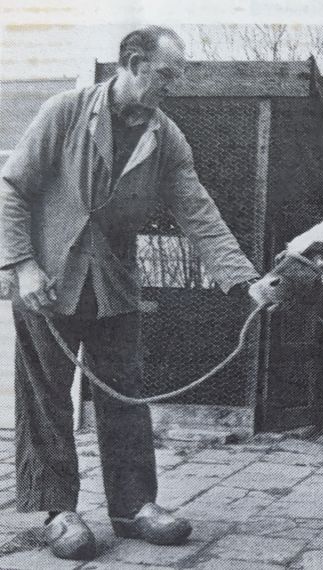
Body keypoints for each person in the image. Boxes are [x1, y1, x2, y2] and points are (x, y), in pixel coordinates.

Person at [0, 26, 260, 560]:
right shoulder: (65, 112)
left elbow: (198, 211)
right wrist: (23, 266)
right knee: (46, 396)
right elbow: (12, 188)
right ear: (134, 63)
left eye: (177, 76)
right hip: (46, 282)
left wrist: (243, 277)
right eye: (165, 74)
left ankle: (133, 507)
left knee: (125, 393)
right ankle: (58, 512)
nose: (172, 86)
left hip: (114, 285)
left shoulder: (167, 137)